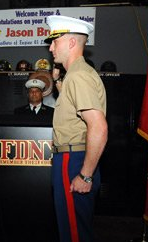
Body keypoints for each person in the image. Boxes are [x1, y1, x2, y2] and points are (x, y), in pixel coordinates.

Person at [45, 15, 108, 242]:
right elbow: (74, 110)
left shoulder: (79, 75)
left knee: (74, 233)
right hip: (75, 158)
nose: (50, 48)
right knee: (76, 229)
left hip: (74, 162)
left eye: (55, 41)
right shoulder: (75, 75)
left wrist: (85, 175)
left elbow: (98, 127)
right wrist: (59, 82)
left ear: (71, 42)